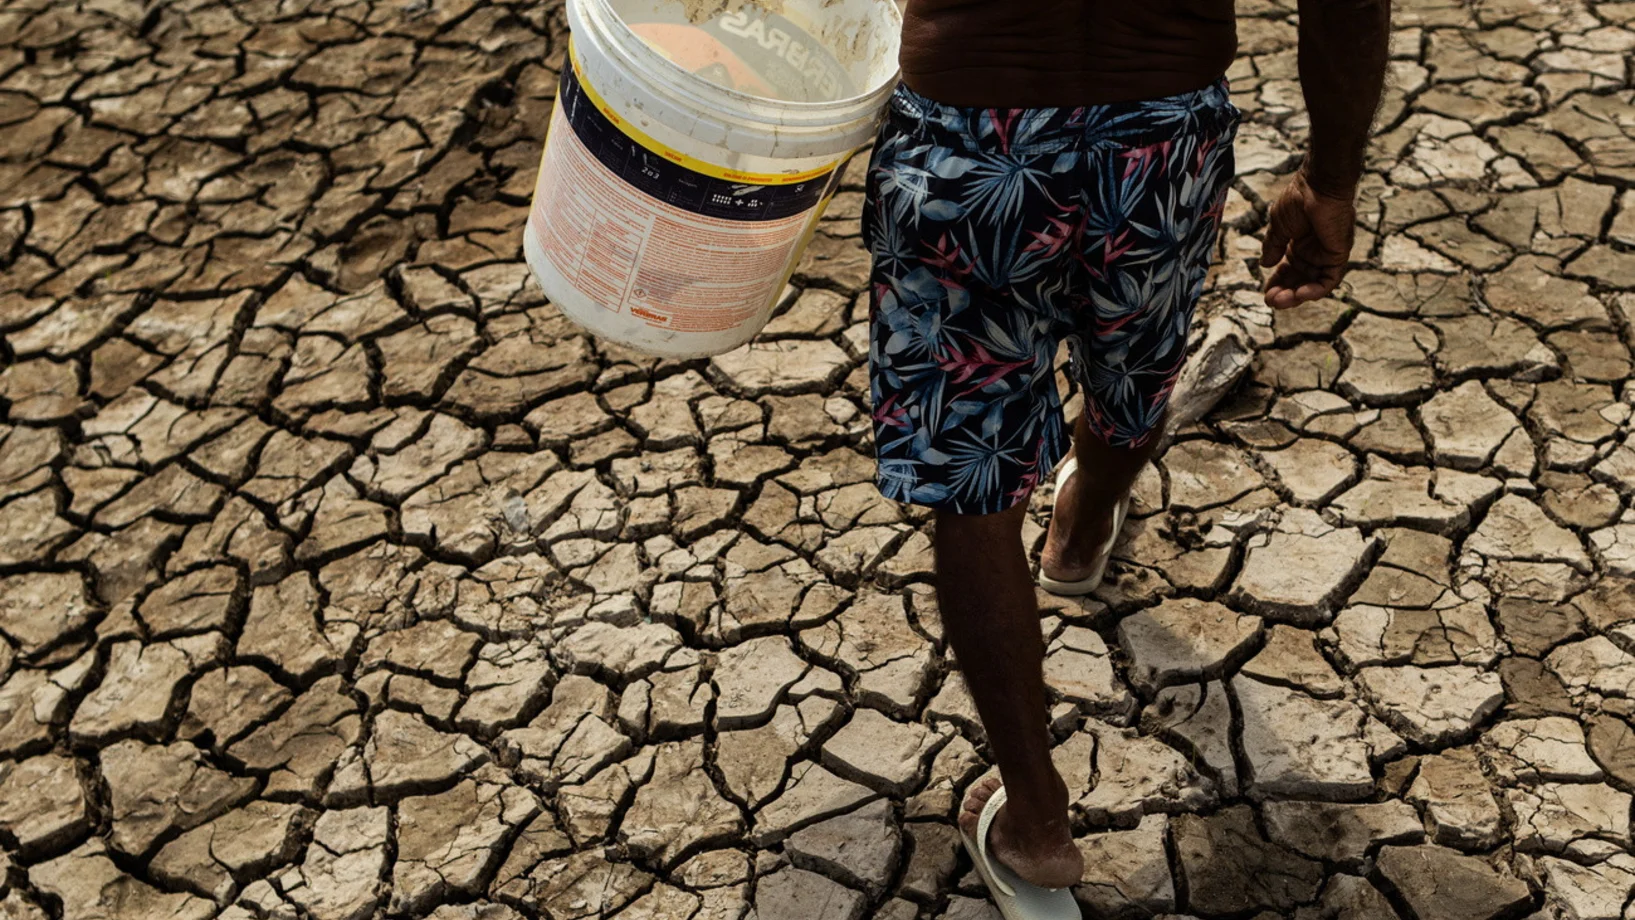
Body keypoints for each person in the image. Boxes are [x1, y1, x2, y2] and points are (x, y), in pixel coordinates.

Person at [860, 0, 1390, 913]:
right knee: (1133, 371)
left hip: (969, 133)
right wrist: (1329, 177)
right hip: (1160, 132)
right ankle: (1083, 523)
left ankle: (1035, 820)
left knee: (972, 483)